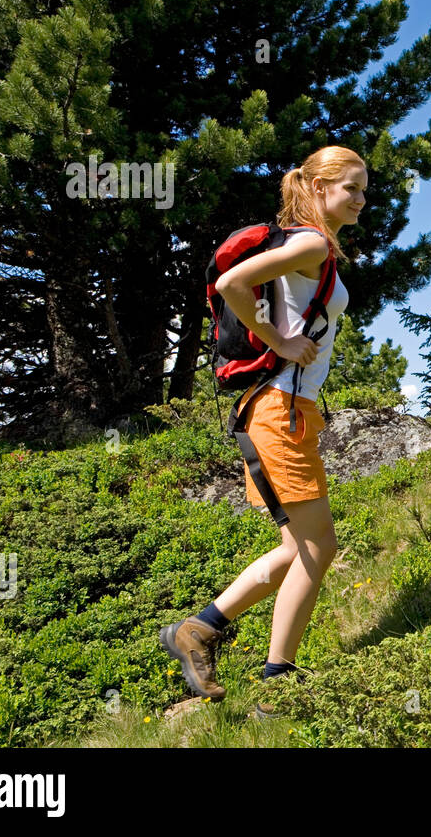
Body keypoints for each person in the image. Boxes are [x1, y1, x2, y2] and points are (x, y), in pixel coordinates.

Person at [159, 145, 363, 715]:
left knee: (296, 548)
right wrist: (279, 342)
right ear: (319, 189)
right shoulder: (312, 241)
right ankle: (277, 679)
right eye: (351, 187)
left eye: (364, 190)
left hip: (287, 409)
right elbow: (232, 284)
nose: (361, 199)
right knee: (319, 547)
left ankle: (199, 630)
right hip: (280, 409)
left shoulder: (310, 245)